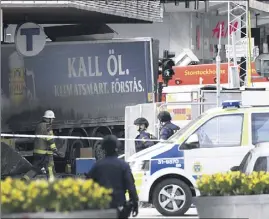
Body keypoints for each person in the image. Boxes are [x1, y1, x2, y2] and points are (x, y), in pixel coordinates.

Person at [86, 135, 139, 219]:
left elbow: (87, 185)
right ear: (116, 148)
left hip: (102, 206)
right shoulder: (123, 165)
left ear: (103, 149)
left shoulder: (97, 166)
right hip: (119, 205)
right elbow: (131, 186)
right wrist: (135, 203)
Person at [22, 110, 58, 181]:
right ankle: (52, 183)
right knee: (50, 168)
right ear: (49, 119)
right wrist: (54, 149)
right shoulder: (48, 126)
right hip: (45, 152)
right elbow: (50, 139)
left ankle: (25, 178)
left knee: (35, 168)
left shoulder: (38, 125)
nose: (53, 120)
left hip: (37, 152)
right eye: (52, 119)